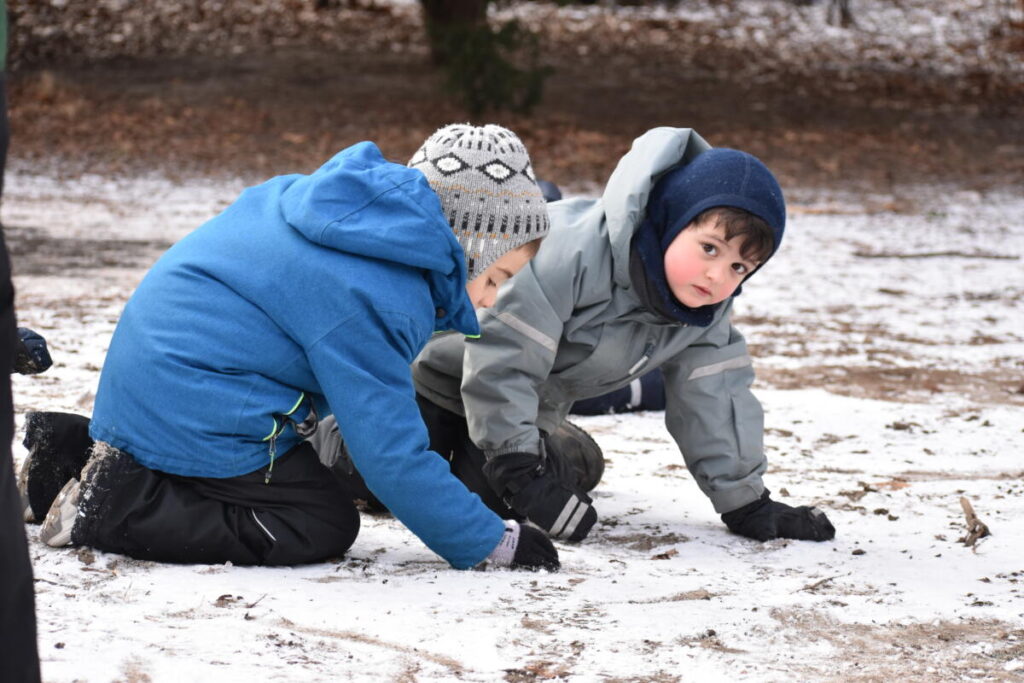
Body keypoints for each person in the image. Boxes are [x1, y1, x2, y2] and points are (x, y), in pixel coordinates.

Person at [21, 123, 561, 571]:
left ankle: (70, 458)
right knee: (318, 519)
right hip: (198, 401)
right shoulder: (377, 292)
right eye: (495, 277)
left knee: (293, 478)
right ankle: (112, 508)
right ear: (468, 244)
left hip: (153, 386)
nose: (489, 300)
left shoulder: (328, 210)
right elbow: (389, 455)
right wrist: (490, 540)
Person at [412, 126, 836, 544]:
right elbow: (503, 358)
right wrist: (520, 465)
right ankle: (351, 442)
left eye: (739, 267)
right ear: (671, 221)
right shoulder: (566, 253)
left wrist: (746, 501)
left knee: (492, 501)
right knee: (389, 473)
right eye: (710, 248)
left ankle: (564, 451)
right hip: (435, 378)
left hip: (528, 410)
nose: (717, 275)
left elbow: (716, 397)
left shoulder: (703, 312)